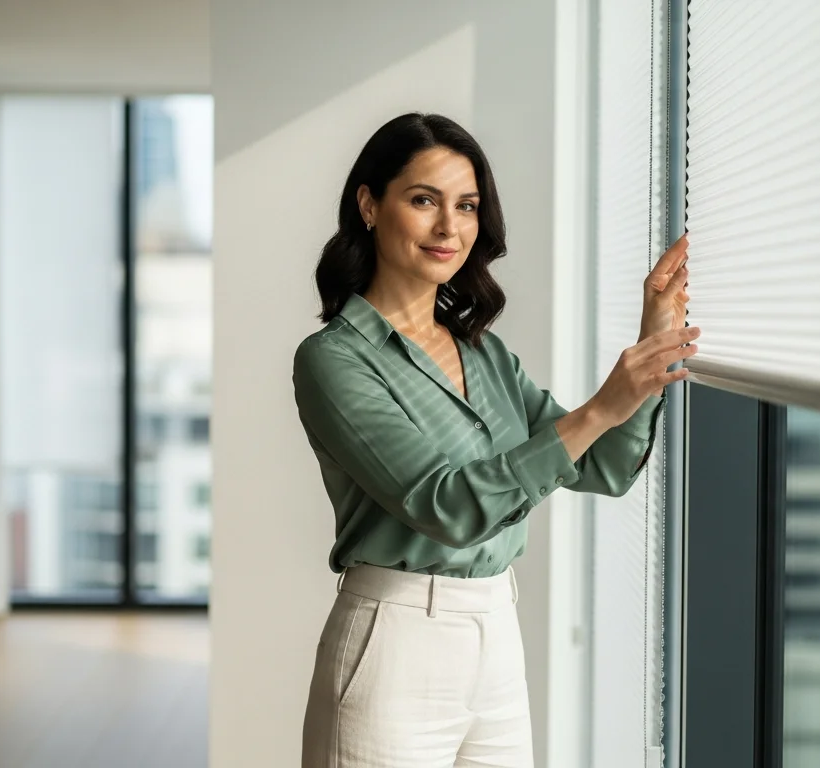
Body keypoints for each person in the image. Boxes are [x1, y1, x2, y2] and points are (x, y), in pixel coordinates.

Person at [293, 113, 697, 768]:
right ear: (369, 205)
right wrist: (600, 406)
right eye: (423, 200)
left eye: (467, 206)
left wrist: (652, 347)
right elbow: (447, 506)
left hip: (497, 635)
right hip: (396, 646)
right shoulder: (334, 359)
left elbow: (603, 465)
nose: (449, 228)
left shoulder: (484, 354)